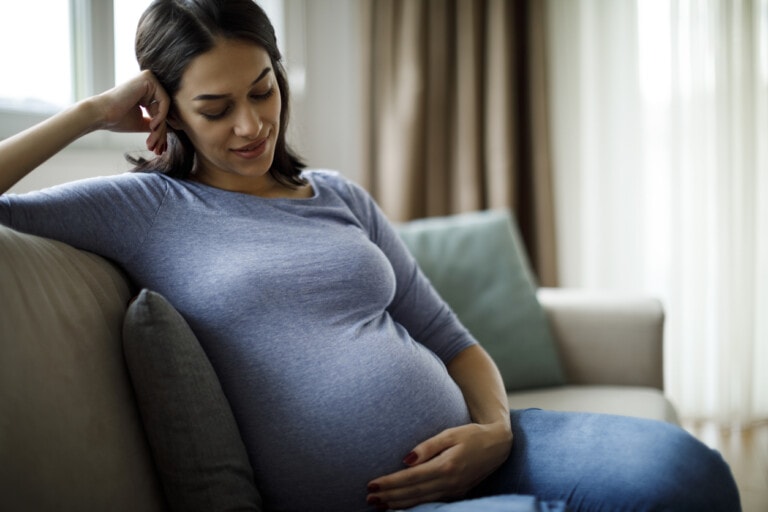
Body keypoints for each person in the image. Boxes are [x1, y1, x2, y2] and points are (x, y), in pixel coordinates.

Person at [0, 1, 741, 511]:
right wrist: (92, 112)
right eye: (216, 109)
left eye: (262, 90)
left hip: (488, 448)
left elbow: (451, 339)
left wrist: (493, 433)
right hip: (381, 498)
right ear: (165, 108)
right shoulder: (147, 212)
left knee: (692, 473)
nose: (252, 125)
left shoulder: (336, 195)